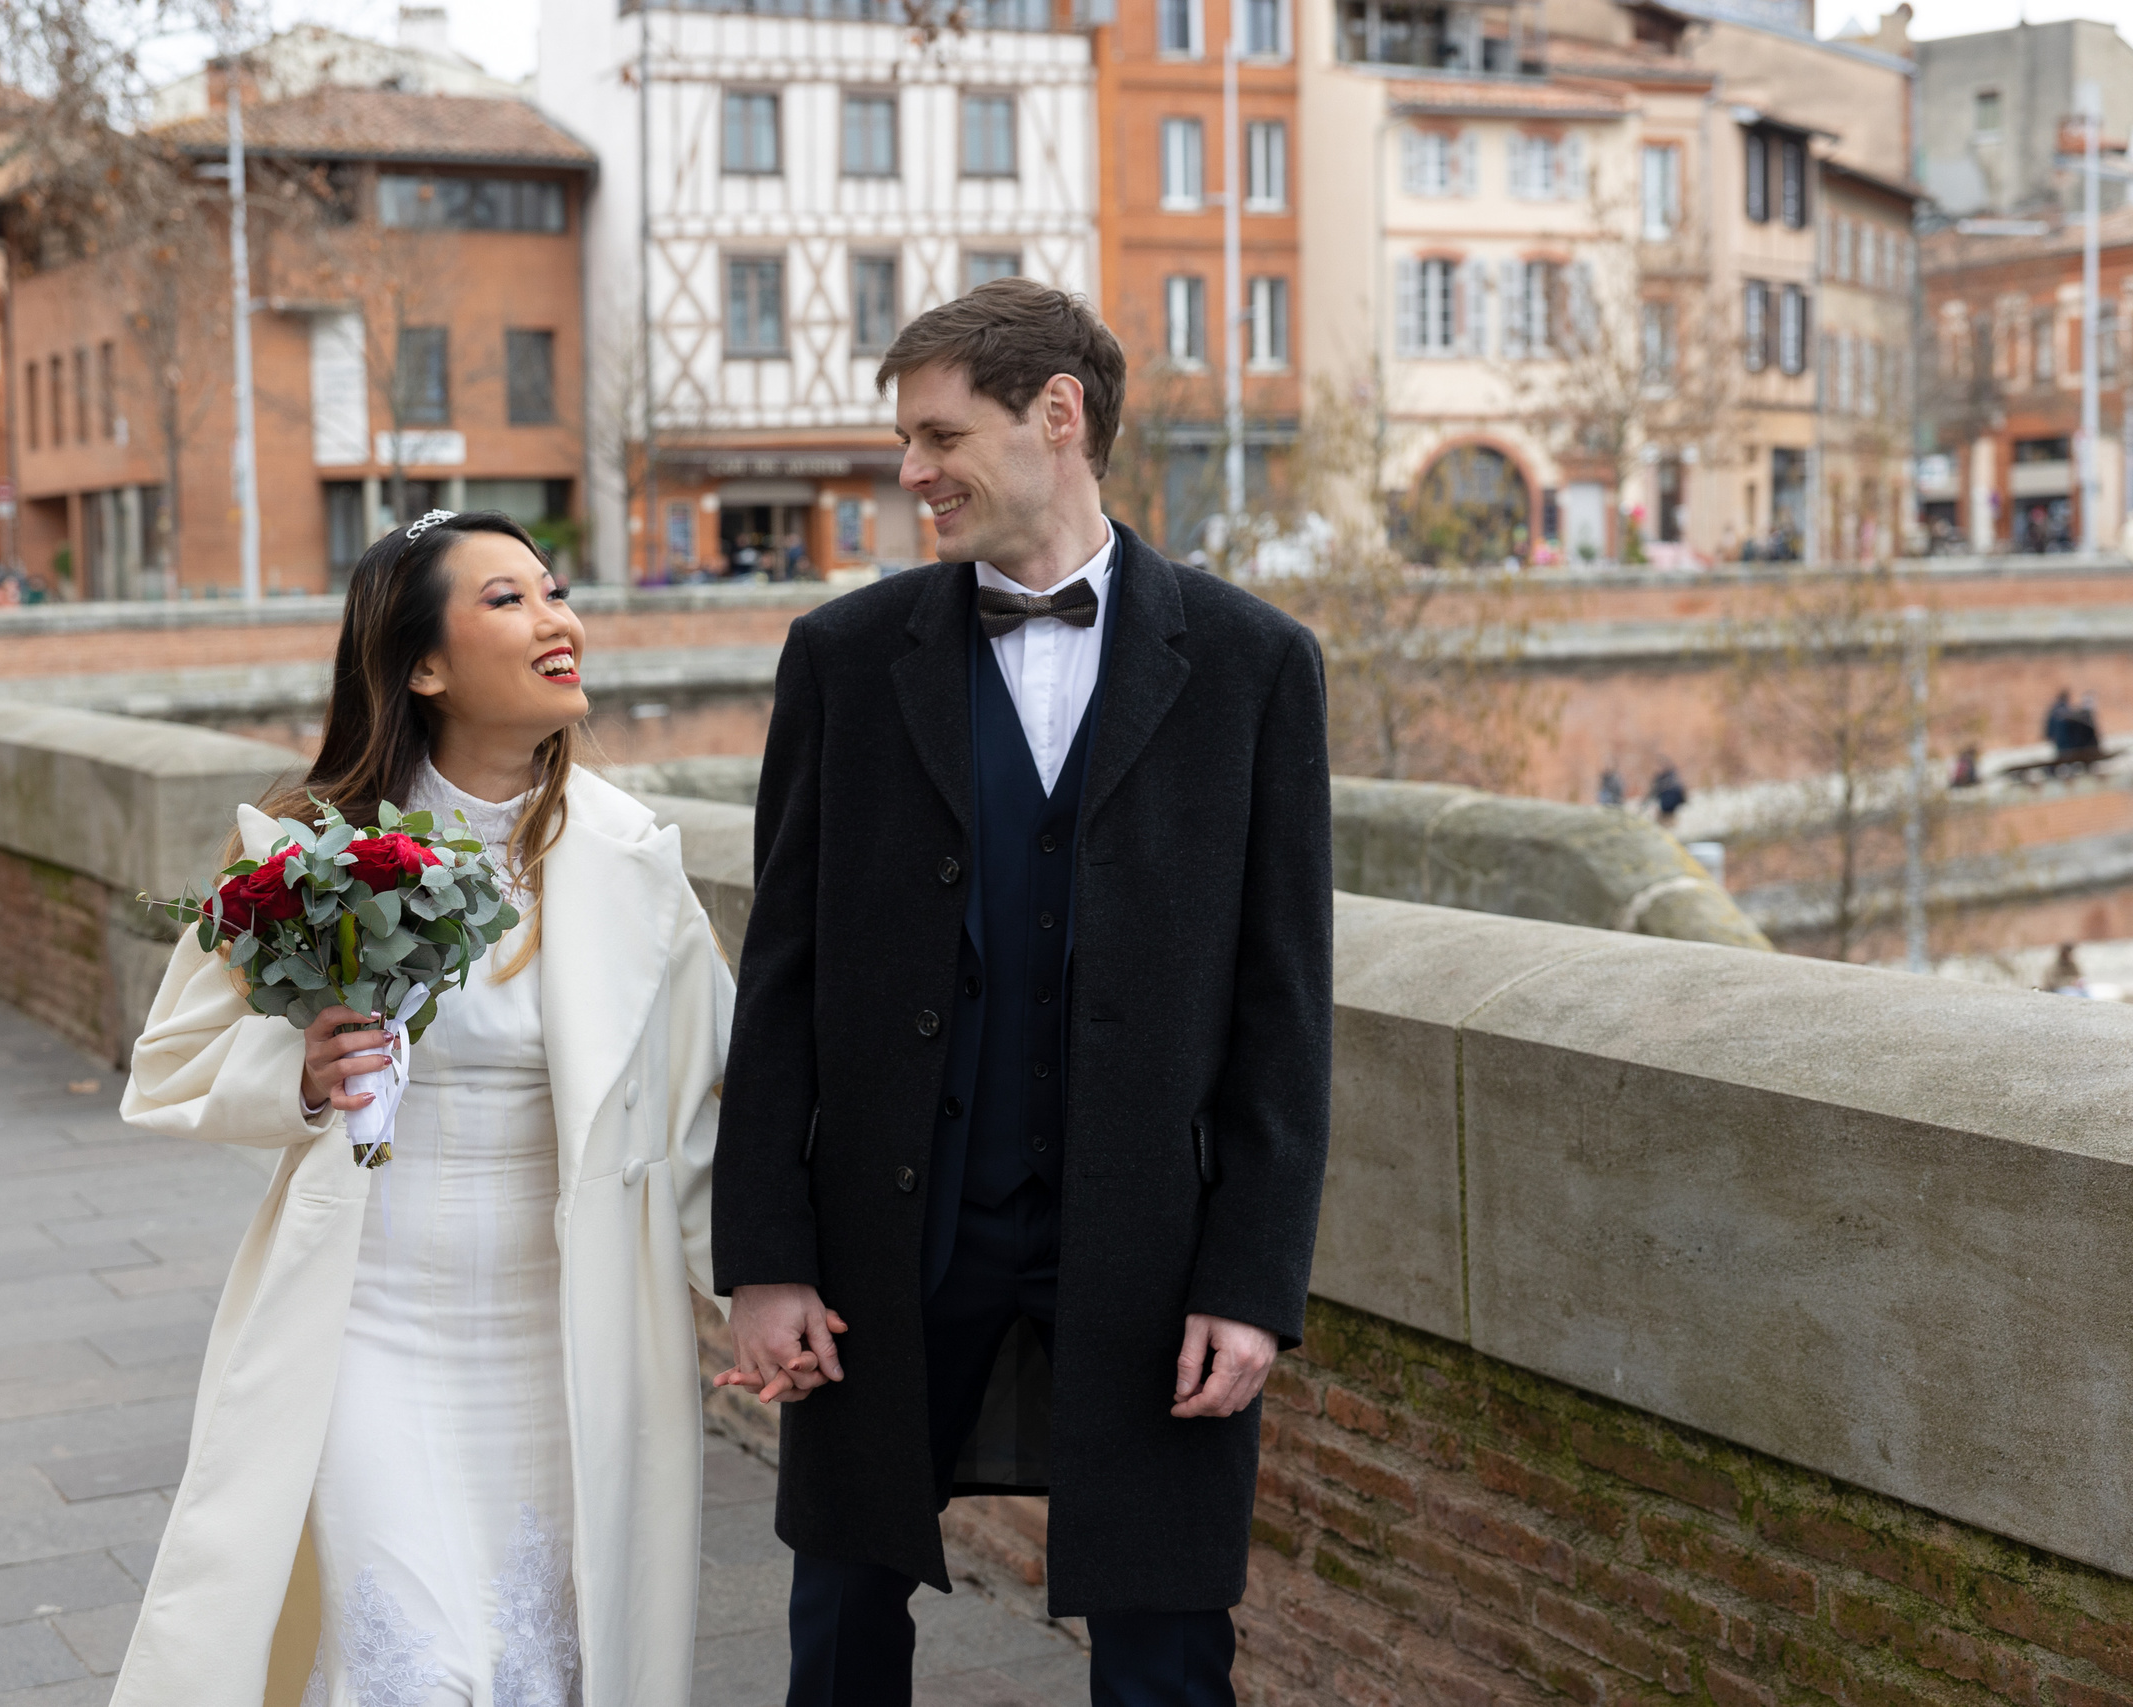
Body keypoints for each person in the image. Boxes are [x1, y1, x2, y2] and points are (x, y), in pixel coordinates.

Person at [712, 278, 1333, 1705]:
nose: (911, 471)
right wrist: (767, 1253)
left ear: (1058, 415)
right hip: (888, 1239)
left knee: (1168, 1638)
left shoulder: (1253, 665)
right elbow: (783, 977)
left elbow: (1283, 1012)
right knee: (842, 1614)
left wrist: (1251, 1283)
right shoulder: (843, 659)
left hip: (1148, 1248)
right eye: (906, 440)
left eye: (939, 436)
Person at [112, 511, 732, 1707]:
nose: (555, 620)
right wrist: (299, 1074)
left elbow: (704, 1103)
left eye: (555, 591)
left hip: (570, 1336)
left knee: (539, 1671)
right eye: (507, 600)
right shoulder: (309, 854)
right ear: (424, 666)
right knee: (419, 1672)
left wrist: (755, 1288)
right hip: (370, 1321)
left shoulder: (630, 857)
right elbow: (171, 1062)